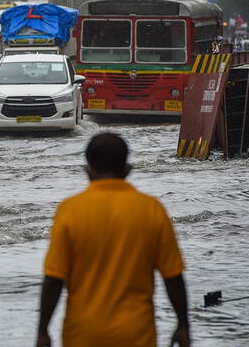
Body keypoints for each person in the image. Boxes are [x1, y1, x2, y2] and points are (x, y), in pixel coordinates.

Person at [36, 132, 190, 347]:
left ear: (87, 171)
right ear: (128, 170)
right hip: (136, 334)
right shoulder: (151, 209)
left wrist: (42, 330)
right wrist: (183, 324)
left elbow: (54, 279)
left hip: (82, 335)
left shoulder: (70, 210)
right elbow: (172, 276)